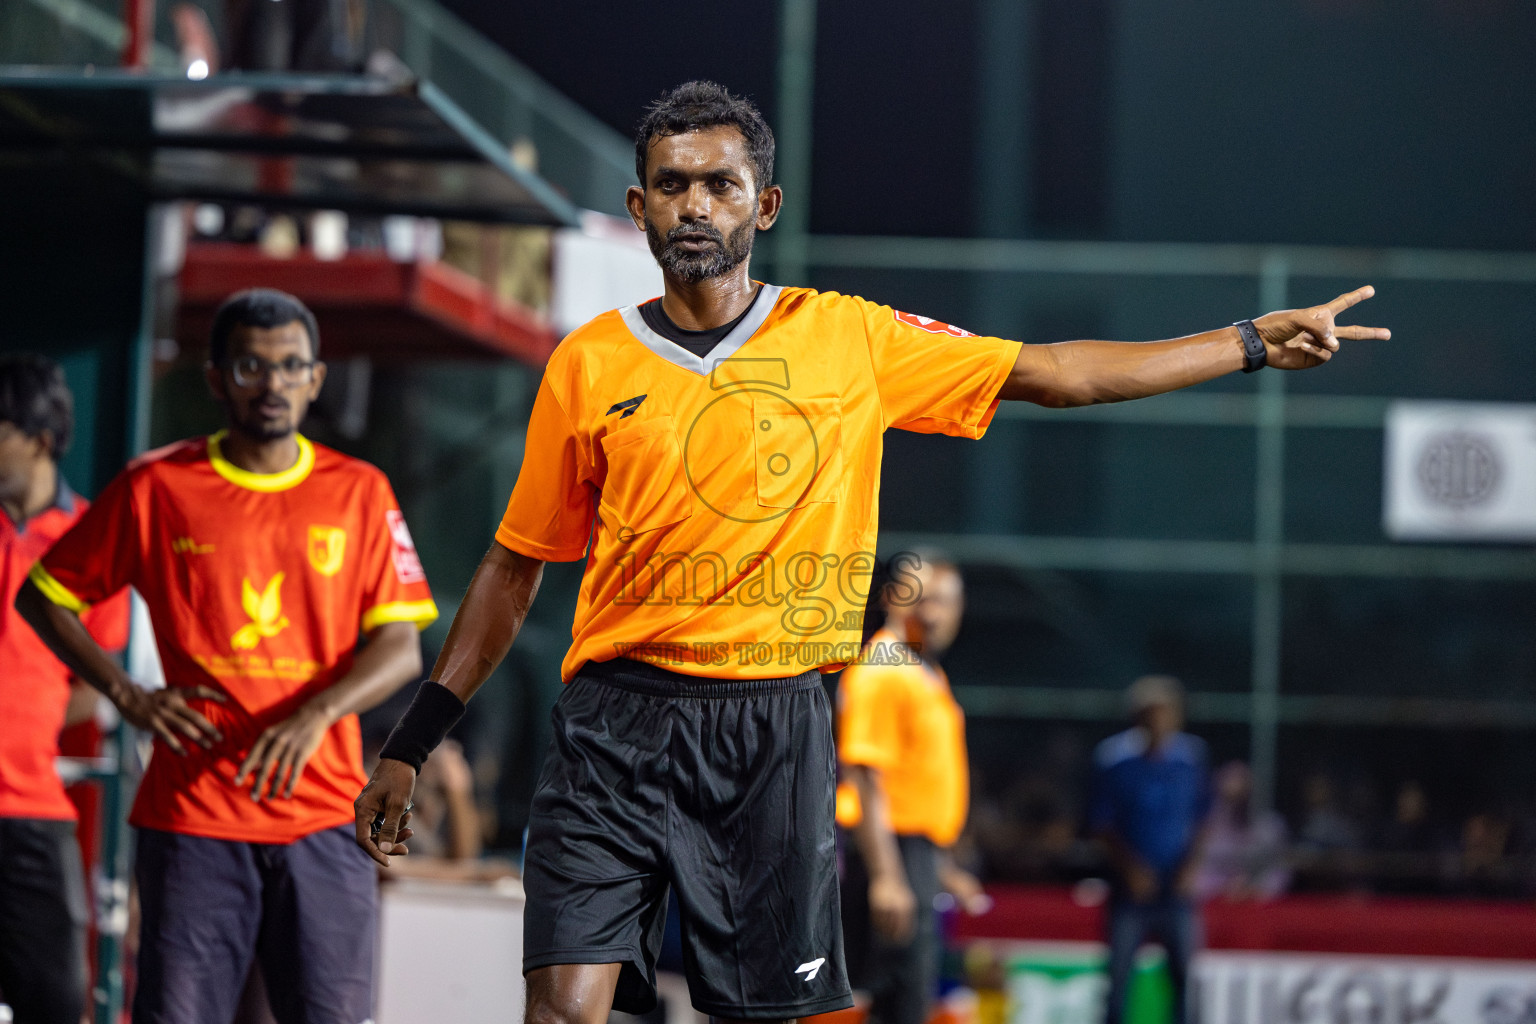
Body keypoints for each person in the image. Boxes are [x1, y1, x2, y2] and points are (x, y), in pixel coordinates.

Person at [353, 80, 1387, 1024]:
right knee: (564, 1011)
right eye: (671, 186)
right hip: (611, 727)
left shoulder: (851, 339)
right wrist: (414, 738)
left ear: (765, 207)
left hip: (774, 723)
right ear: (639, 210)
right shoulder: (588, 363)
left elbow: (1061, 373)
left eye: (721, 183)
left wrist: (1248, 341)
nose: (695, 205)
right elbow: (514, 562)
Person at [17, 288, 438, 1024]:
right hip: (193, 821)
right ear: (216, 378)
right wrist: (127, 695)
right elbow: (44, 596)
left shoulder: (360, 492)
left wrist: (316, 715)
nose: (271, 383)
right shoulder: (158, 486)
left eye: (289, 366)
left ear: (316, 378)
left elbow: (401, 647)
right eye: (250, 365)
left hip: (322, 818)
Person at [0, 355, 129, 1024]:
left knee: (55, 1001)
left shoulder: (89, 543)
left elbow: (99, 683)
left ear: (40, 439)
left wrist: (28, 724)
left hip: (31, 807)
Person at [836, 555, 987, 1024]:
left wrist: (940, 869)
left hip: (915, 853)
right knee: (894, 1001)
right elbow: (863, 775)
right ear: (893, 600)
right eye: (923, 599)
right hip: (885, 853)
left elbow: (914, 783)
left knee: (910, 998)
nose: (935, 613)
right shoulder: (884, 670)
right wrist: (888, 876)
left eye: (946, 601)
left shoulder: (924, 671)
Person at [1090, 676, 1212, 1024]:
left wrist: (1191, 868)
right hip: (1130, 891)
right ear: (1136, 718)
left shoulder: (1192, 758)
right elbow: (1101, 823)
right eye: (1149, 715)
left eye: (1165, 714)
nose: (1158, 723)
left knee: (1185, 976)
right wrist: (1130, 869)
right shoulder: (1113, 759)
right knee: (1118, 976)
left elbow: (1204, 818)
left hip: (1177, 889)